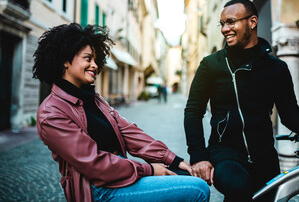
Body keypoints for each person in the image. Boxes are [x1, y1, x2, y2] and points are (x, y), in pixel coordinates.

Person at [184, 0, 299, 201]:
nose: (225, 29)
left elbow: (290, 116)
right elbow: (193, 111)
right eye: (223, 23)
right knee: (238, 186)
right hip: (225, 154)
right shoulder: (211, 65)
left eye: (231, 22)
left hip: (265, 159)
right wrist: (199, 157)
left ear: (252, 22)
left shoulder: (276, 68)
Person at [33, 23, 210, 202]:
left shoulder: (93, 99)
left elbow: (129, 133)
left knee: (187, 176)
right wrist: (149, 169)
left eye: (96, 59)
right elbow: (94, 162)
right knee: (199, 190)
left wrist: (173, 160)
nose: (94, 65)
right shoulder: (51, 113)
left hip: (121, 175)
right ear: (65, 60)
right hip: (98, 190)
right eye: (88, 58)